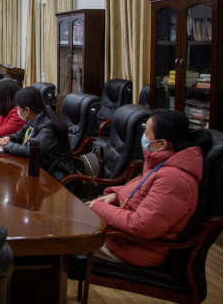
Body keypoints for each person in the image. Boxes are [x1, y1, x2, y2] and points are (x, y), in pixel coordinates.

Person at [86, 109, 210, 267]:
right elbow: (139, 188)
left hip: (133, 251)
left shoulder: (174, 180)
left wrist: (99, 208)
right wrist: (115, 195)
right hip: (120, 240)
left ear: (162, 143)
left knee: (62, 246)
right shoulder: (165, 163)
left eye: (147, 132)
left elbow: (142, 225)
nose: (143, 136)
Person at [0, 87, 73, 181]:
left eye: (18, 108)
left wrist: (8, 145)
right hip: (37, 167)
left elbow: (32, 151)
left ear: (27, 110)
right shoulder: (34, 119)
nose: (17, 111)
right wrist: (7, 138)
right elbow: (19, 136)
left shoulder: (49, 126)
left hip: (53, 175)